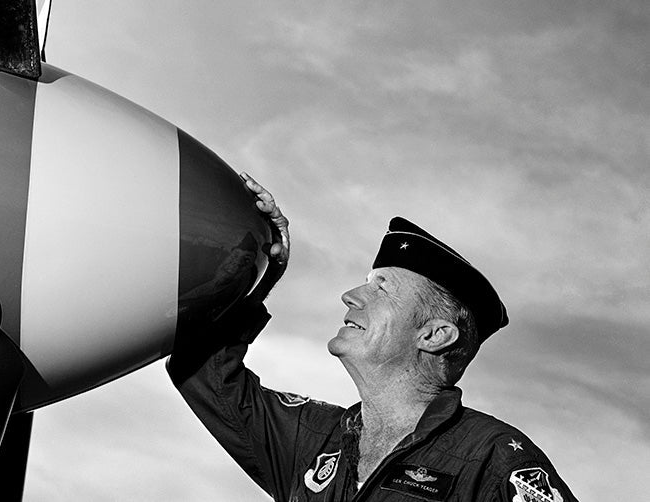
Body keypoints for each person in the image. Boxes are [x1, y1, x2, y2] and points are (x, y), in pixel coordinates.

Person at [167, 174, 577, 502]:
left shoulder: (493, 460)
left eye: (381, 289)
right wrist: (260, 266)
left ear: (434, 335)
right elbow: (200, 370)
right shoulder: (313, 437)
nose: (350, 296)